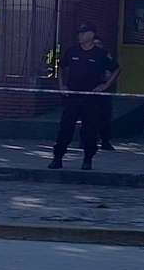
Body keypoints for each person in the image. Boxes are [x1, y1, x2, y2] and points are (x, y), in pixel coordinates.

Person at [49, 23, 119, 170]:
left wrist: (105, 86)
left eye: (84, 32)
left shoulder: (100, 54)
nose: (80, 35)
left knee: (90, 130)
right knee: (65, 128)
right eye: (79, 32)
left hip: (91, 99)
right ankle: (57, 158)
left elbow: (116, 68)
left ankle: (87, 160)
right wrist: (62, 85)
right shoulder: (72, 51)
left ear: (92, 35)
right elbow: (61, 67)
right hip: (73, 97)